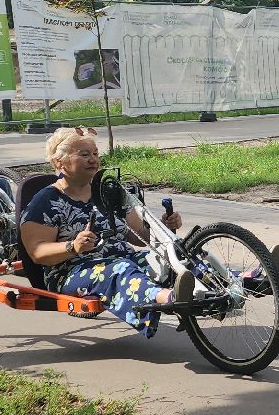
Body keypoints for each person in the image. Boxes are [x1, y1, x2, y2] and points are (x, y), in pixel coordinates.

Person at [18, 127, 194, 336]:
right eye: (84, 155)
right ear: (59, 163)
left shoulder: (108, 193)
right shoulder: (46, 201)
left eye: (95, 154)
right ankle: (172, 300)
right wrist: (73, 246)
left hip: (123, 259)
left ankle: (224, 284)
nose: (93, 160)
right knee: (120, 269)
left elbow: (140, 236)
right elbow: (37, 253)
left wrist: (165, 225)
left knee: (171, 260)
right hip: (71, 271)